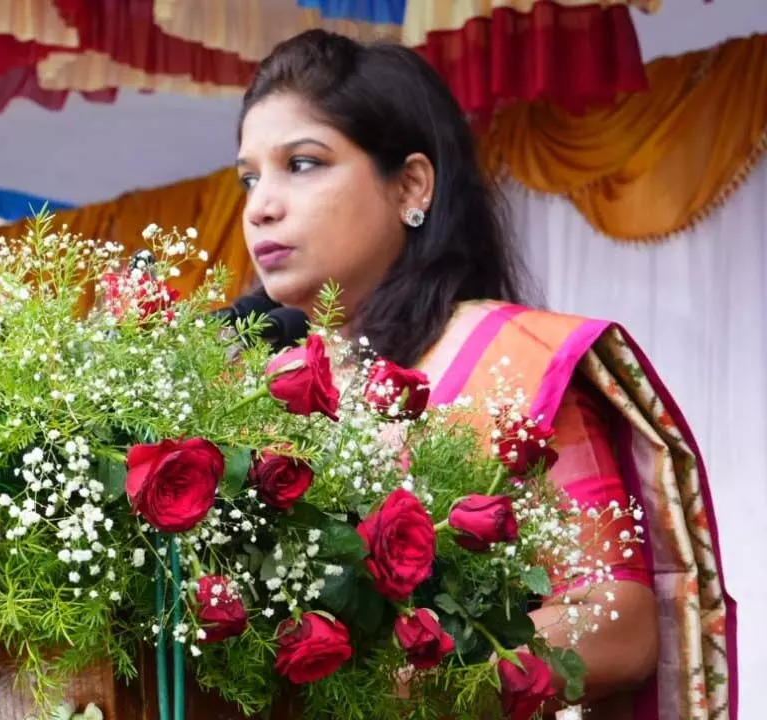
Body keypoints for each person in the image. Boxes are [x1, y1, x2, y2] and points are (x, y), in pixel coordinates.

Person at [226, 29, 737, 719]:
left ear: (410, 184)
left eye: (304, 164)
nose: (262, 205)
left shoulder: (512, 360)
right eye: (249, 177)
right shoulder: (246, 395)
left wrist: (413, 678)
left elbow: (621, 623)